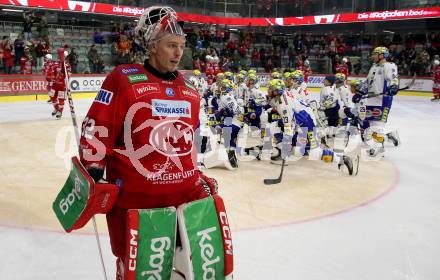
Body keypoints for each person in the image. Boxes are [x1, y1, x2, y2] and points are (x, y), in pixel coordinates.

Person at [78, 6, 231, 279]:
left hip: (185, 199)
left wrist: (195, 174)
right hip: (137, 202)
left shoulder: (190, 90)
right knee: (140, 272)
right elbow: (97, 127)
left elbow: (187, 141)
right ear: (152, 46)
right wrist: (93, 168)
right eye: (171, 45)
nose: (178, 53)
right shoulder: (124, 80)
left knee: (192, 270)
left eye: (181, 46)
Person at [354, 46, 400, 156]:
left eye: (375, 54)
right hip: (371, 100)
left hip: (383, 100)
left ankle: (379, 149)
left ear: (382, 55)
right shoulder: (373, 67)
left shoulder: (389, 66)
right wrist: (360, 92)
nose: (373, 56)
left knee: (378, 125)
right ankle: (389, 136)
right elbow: (368, 82)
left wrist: (394, 86)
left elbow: (394, 78)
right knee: (371, 124)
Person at [49, 49, 71, 119]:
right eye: (60, 56)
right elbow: (52, 72)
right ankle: (56, 108)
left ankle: (60, 112)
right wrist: (51, 79)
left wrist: (64, 71)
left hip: (62, 85)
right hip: (55, 84)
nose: (60, 57)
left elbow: (68, 76)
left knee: (61, 99)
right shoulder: (55, 64)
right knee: (52, 97)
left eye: (62, 56)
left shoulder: (67, 66)